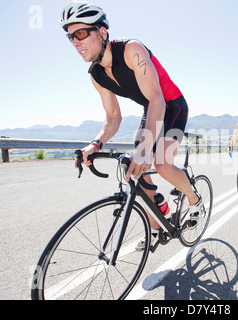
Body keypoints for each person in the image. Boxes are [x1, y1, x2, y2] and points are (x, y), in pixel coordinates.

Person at [60, 1, 203, 250]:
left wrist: (145, 148)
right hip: (152, 109)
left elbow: (157, 98)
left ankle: (194, 199)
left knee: (160, 162)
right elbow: (113, 118)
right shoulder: (97, 75)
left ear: (102, 32)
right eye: (70, 37)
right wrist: (94, 144)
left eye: (81, 33)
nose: (75, 42)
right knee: (132, 167)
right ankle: (156, 226)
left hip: (173, 105)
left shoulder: (130, 49)